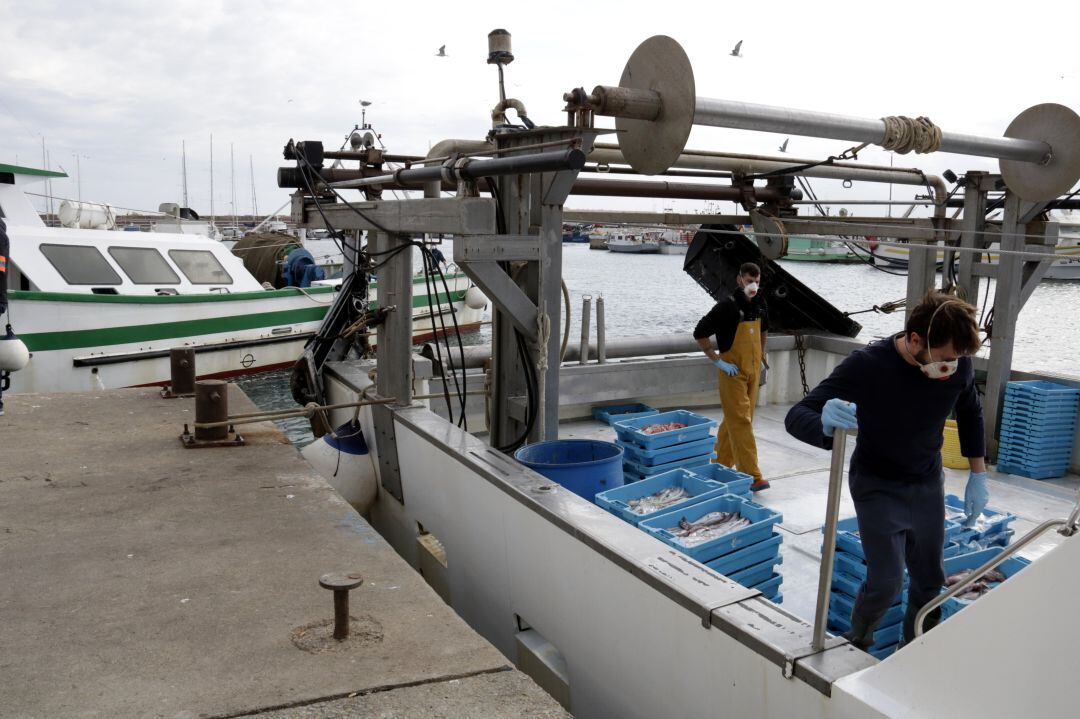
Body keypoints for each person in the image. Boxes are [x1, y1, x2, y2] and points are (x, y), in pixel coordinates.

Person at [784, 291, 989, 648]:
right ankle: (859, 637)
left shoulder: (958, 364)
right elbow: (797, 414)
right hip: (876, 483)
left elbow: (971, 411)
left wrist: (978, 473)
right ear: (914, 340)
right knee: (887, 580)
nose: (950, 368)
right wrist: (824, 424)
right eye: (942, 360)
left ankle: (914, 647)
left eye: (956, 360)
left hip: (926, 482)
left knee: (930, 579)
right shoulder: (868, 365)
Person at [693, 261, 770, 492]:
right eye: (749, 281)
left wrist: (762, 354)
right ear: (739, 280)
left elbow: (764, 328)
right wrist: (717, 360)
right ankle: (752, 475)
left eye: (756, 281)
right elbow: (700, 332)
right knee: (741, 420)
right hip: (732, 371)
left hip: (753, 369)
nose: (753, 286)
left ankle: (721, 463)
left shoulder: (761, 303)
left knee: (736, 418)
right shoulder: (726, 307)